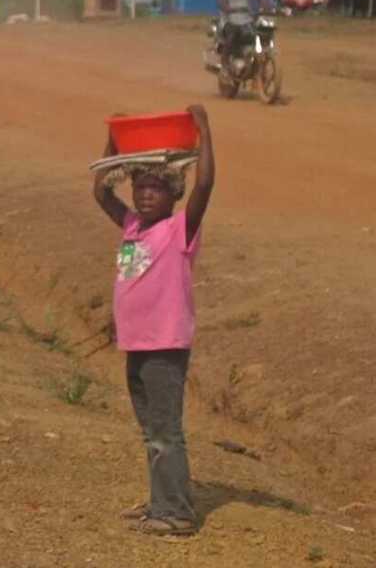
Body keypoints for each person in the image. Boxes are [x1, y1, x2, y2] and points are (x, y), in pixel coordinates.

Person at [92, 105, 215, 536]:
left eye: (155, 190)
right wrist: (115, 150)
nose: (145, 195)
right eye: (140, 188)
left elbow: (205, 184)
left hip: (164, 346)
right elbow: (102, 193)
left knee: (166, 432)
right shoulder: (131, 228)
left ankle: (177, 514)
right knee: (151, 432)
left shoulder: (179, 230)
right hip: (137, 345)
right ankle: (162, 502)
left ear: (172, 196)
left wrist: (203, 132)